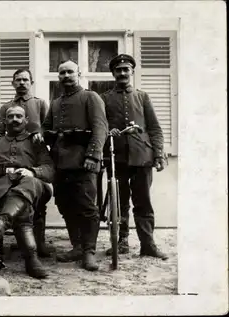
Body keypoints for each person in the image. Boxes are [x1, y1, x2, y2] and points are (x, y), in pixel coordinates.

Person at [0, 105, 55, 279]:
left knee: (27, 183)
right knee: (22, 205)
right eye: (11, 116)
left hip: (35, 186)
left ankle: (2, 221)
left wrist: (34, 172)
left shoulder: (35, 143)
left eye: (19, 116)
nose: (14, 119)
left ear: (26, 120)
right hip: (1, 188)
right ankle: (31, 259)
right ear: (5, 121)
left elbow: (50, 169)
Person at [41, 59, 108, 271]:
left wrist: (93, 156)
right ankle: (77, 246)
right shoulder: (56, 103)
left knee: (87, 207)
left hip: (83, 163)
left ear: (78, 74)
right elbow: (47, 129)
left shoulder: (90, 97)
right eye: (62, 73)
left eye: (70, 72)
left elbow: (100, 128)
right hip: (61, 164)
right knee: (65, 205)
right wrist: (43, 137)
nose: (66, 76)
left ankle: (89, 252)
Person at [100, 54, 168, 260]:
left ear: (132, 72)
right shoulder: (104, 98)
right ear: (113, 73)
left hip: (142, 156)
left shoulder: (142, 96)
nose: (122, 73)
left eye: (126, 69)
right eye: (118, 70)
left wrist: (158, 154)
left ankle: (148, 244)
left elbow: (155, 128)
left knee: (143, 201)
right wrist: (108, 131)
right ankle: (121, 243)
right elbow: (99, 126)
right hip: (116, 156)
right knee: (119, 202)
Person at [0, 69, 52, 257]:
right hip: (11, 163)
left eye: (25, 80)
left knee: (38, 203)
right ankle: (23, 239)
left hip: (34, 157)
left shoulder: (40, 104)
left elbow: (48, 130)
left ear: (31, 82)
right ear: (12, 83)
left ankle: (39, 242)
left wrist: (41, 138)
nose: (22, 83)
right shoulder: (6, 107)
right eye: (18, 80)